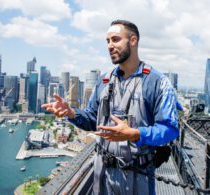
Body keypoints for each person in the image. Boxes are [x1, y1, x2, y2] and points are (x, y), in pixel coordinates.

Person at [42, 20, 179, 195]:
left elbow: (170, 129)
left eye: (115, 39)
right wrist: (71, 113)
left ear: (133, 40)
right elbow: (93, 120)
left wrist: (136, 134)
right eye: (107, 41)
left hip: (138, 176)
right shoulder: (104, 81)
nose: (110, 46)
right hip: (103, 174)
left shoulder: (157, 82)